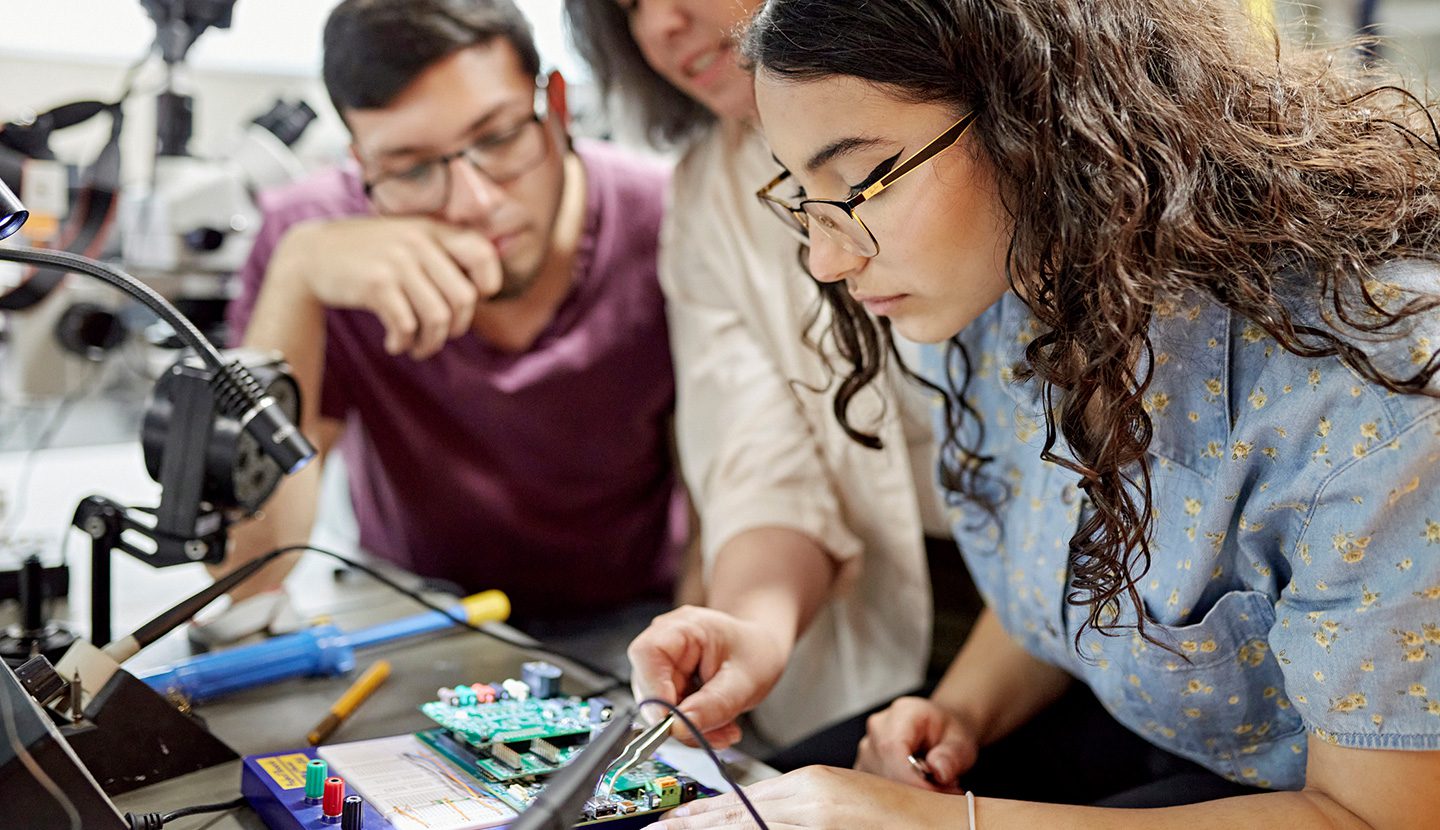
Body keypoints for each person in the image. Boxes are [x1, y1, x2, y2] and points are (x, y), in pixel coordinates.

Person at [648, 0, 1440, 826]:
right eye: (802, 196)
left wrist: (930, 823)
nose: (827, 256)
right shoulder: (1018, 282)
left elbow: (1375, 817)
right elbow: (1075, 565)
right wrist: (959, 715)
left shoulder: (1381, 392)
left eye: (859, 183)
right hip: (1147, 739)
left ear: (1040, 111)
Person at [221, 0, 684, 670]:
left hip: (634, 628)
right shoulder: (316, 239)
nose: (472, 202)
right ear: (361, 161)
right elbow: (249, 573)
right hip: (409, 620)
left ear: (554, 103)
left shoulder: (666, 221)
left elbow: (736, 499)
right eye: (410, 169)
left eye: (498, 138)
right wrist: (296, 277)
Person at [564, 0, 970, 749]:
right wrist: (747, 628)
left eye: (864, 178)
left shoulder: (981, 113)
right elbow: (760, 456)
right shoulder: (707, 195)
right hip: (892, 620)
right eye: (626, 9)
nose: (659, 25)